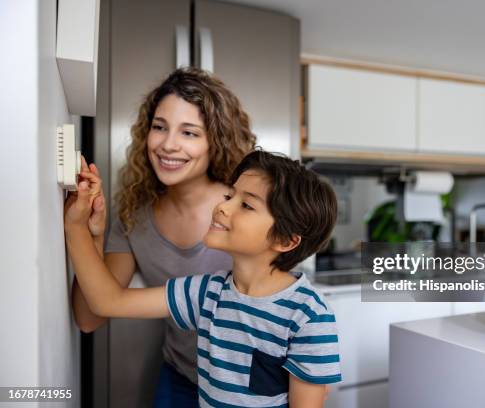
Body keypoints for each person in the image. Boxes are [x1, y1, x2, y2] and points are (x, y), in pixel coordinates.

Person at [64, 150, 342, 407]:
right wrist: (77, 226)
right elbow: (108, 302)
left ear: (285, 240)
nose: (223, 207)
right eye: (229, 196)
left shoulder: (309, 317)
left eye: (245, 205)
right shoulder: (207, 292)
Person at [68, 67, 256, 406]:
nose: (168, 145)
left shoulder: (245, 212)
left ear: (217, 140)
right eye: (159, 127)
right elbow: (89, 317)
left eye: (189, 132)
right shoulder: (133, 217)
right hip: (180, 378)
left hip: (248, 387)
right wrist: (91, 234)